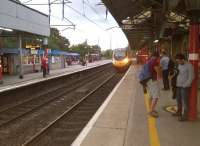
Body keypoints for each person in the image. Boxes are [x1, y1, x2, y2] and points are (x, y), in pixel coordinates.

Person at [173, 53, 194, 121]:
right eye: (177, 61)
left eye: (179, 61)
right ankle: (179, 112)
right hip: (178, 85)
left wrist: (186, 85)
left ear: (183, 59)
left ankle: (185, 116)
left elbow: (191, 77)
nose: (178, 62)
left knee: (185, 101)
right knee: (178, 100)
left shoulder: (189, 65)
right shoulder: (179, 65)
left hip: (184, 87)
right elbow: (178, 73)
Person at [146, 52, 161, 118]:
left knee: (151, 95)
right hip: (153, 80)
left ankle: (150, 109)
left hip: (148, 80)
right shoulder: (154, 61)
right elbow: (157, 70)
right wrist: (160, 71)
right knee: (156, 96)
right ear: (157, 57)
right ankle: (151, 111)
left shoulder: (149, 61)